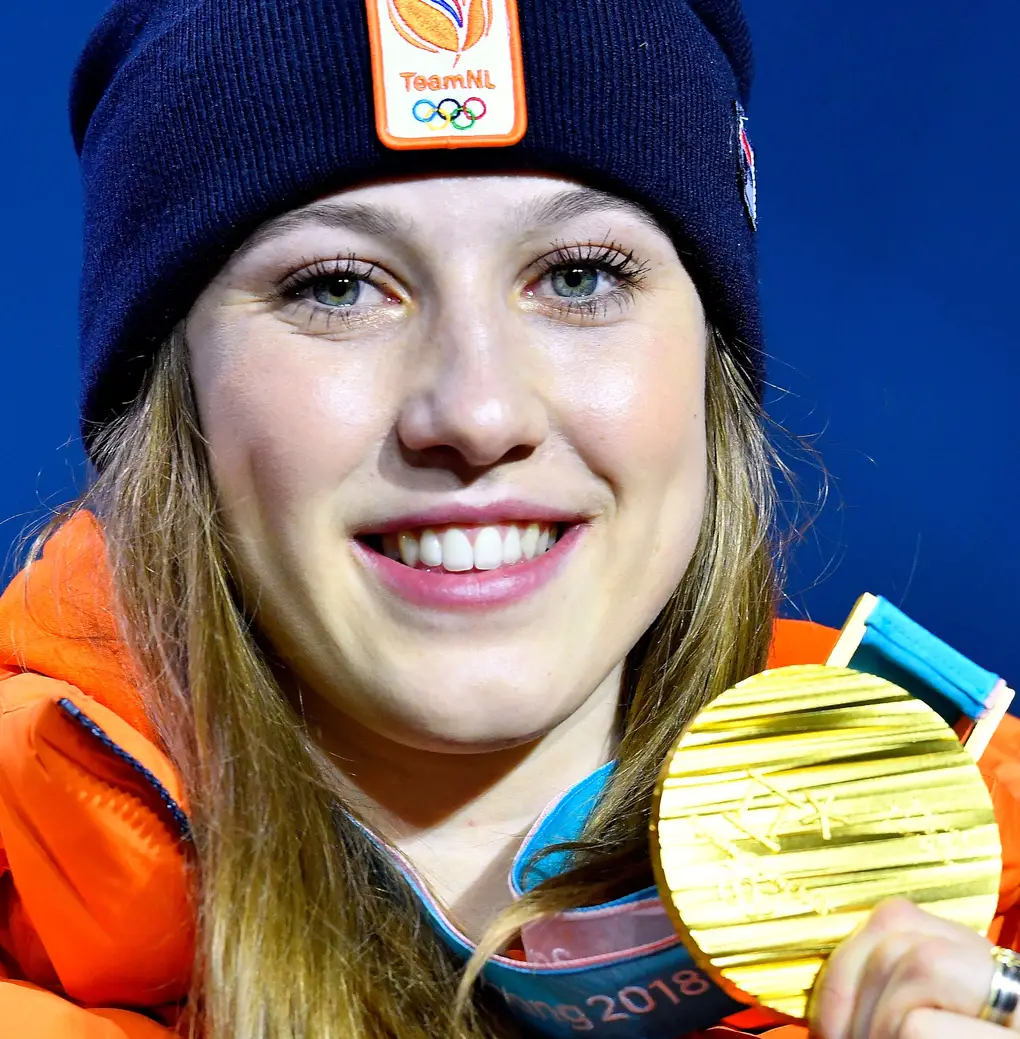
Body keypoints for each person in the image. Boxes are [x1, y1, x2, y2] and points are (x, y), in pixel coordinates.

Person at [1, 1, 1018, 1037]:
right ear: (173, 395)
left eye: (578, 277)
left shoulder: (996, 917)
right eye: (339, 287)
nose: (478, 414)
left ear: (708, 368)